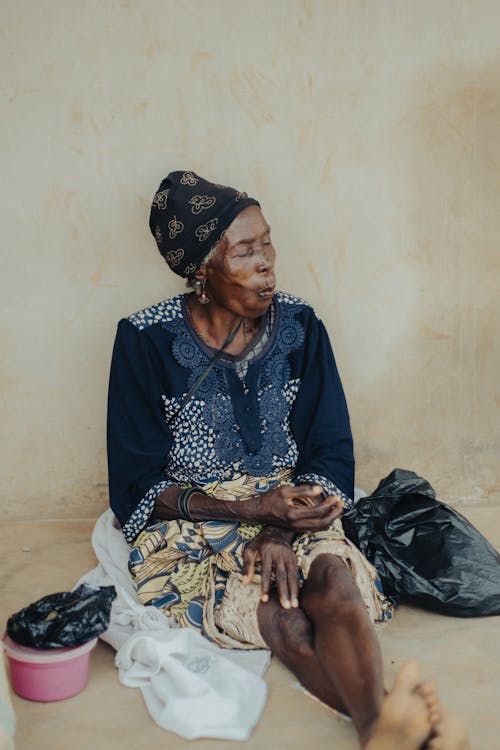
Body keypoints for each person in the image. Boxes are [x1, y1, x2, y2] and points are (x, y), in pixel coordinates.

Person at [107, 172, 469, 749]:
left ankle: (379, 729)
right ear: (202, 268)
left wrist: (278, 520)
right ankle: (382, 725)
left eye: (267, 242)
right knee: (280, 609)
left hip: (297, 503)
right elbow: (135, 485)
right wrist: (248, 510)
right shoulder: (144, 341)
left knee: (332, 578)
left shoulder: (301, 326)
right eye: (244, 250)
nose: (266, 263)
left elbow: (331, 447)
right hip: (200, 523)